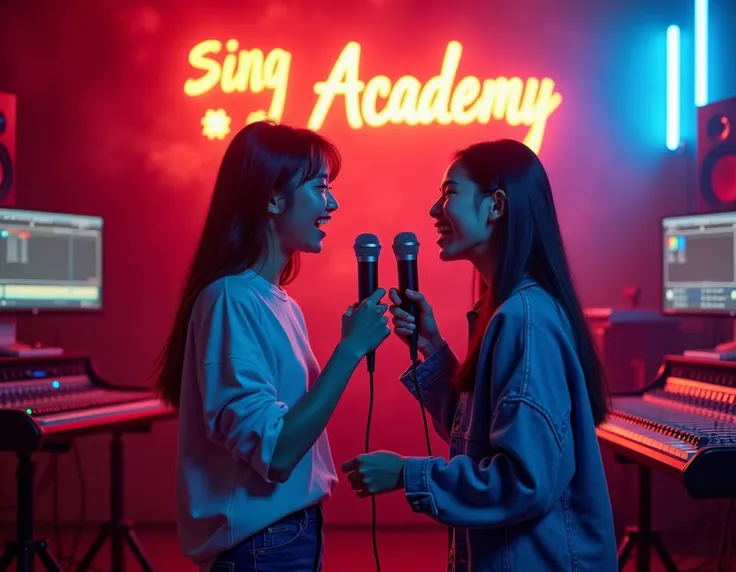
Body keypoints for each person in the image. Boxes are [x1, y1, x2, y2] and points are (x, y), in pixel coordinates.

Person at [341, 139, 618, 571]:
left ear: (496, 206)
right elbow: (485, 436)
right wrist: (432, 347)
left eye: (449, 194)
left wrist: (405, 474)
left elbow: (523, 481)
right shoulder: (508, 312)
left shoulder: (524, 319)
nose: (435, 211)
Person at [155, 121, 390, 572]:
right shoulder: (230, 299)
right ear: (273, 198)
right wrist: (350, 351)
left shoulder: (276, 301)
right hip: (263, 546)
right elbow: (277, 454)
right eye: (321, 187)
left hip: (289, 535)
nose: (333, 203)